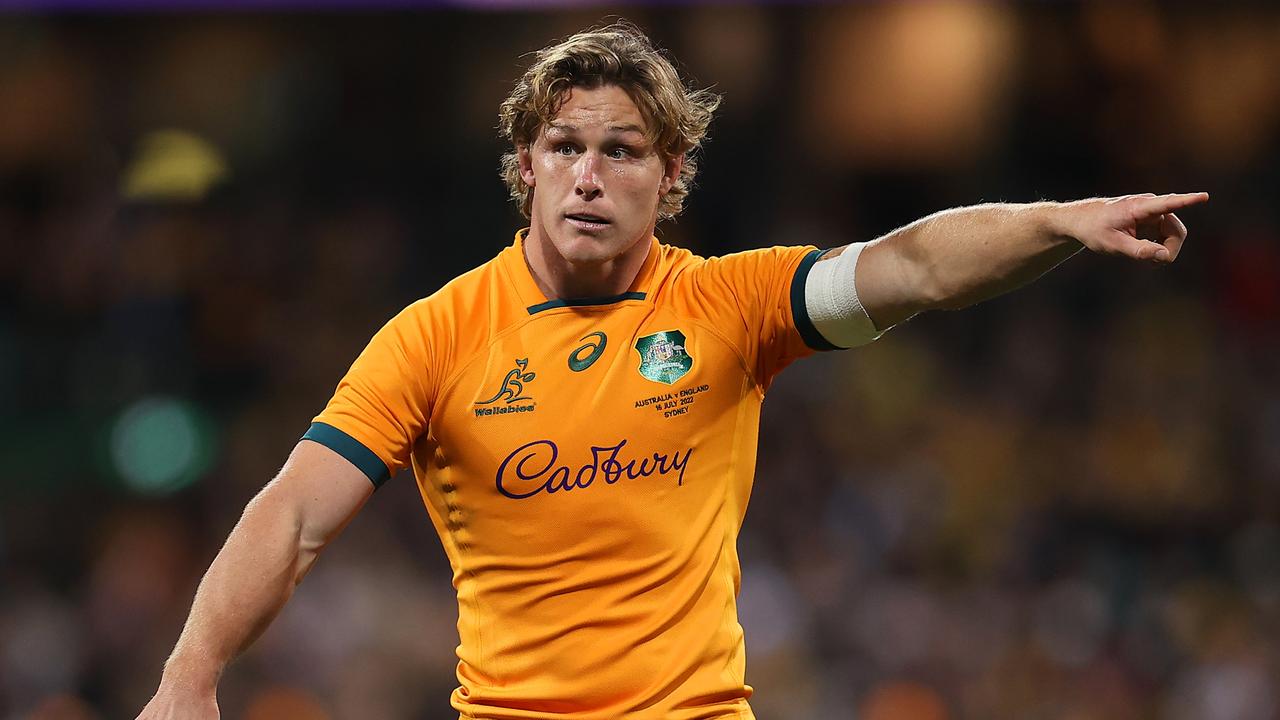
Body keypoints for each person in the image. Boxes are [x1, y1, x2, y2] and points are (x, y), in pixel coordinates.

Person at [137, 21, 1207, 720]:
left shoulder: (728, 305)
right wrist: (191, 670)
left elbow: (914, 266)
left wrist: (1053, 221)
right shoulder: (436, 334)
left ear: (671, 175)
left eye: (623, 151)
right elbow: (292, 518)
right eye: (563, 148)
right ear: (524, 167)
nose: (588, 177)